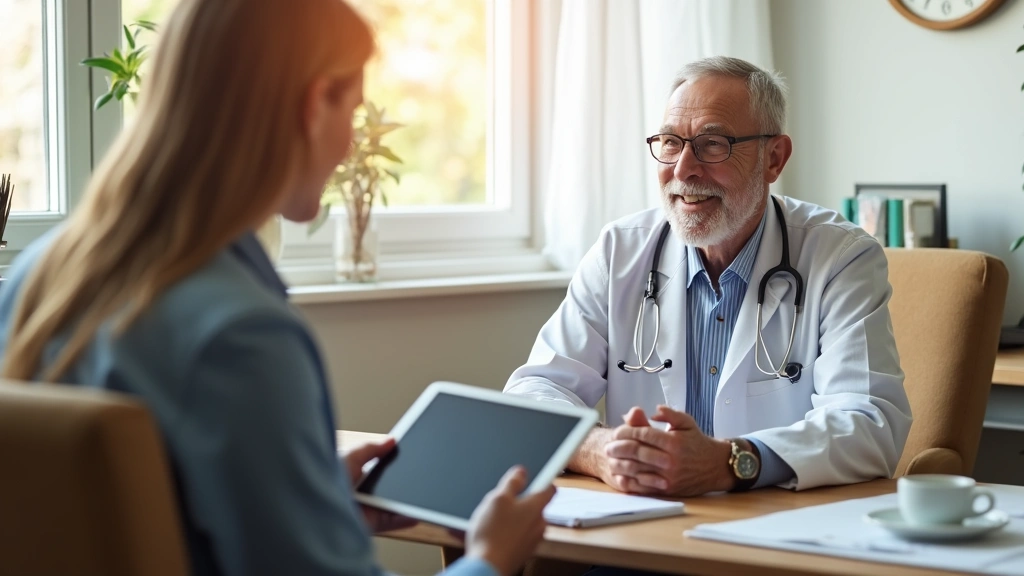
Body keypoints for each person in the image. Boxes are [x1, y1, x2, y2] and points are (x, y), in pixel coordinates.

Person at [0, 1, 553, 575]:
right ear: (315, 105)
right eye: (352, 110)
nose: (346, 148)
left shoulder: (39, 275)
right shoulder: (241, 336)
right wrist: (488, 558)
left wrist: (312, 504)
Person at [505, 56, 913, 496]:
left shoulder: (841, 257)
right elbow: (535, 389)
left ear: (773, 159)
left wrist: (730, 463)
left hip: (774, 533)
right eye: (670, 142)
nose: (683, 170)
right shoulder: (620, 250)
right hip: (640, 531)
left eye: (713, 144)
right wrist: (597, 448)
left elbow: (870, 423)